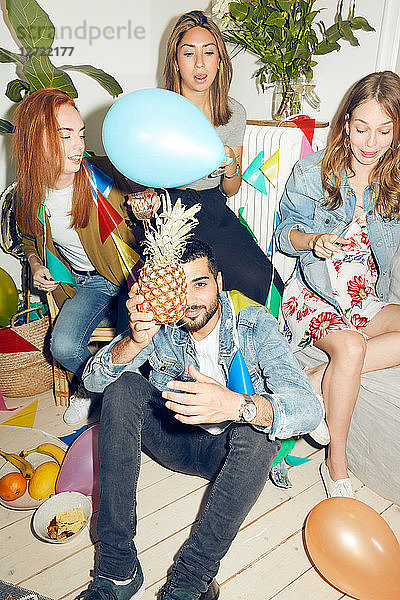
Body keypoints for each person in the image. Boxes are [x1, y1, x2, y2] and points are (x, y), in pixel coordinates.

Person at [78, 239, 323, 600]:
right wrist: (133, 341)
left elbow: (308, 408)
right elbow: (91, 381)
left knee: (259, 436)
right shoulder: (162, 325)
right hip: (173, 436)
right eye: (182, 286)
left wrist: (236, 405)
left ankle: (190, 582)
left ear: (219, 282)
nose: (190, 299)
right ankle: (117, 570)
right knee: (123, 387)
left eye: (201, 283)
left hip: (226, 456)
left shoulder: (253, 324)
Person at [275, 71, 400, 499]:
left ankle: (312, 379)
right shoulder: (312, 171)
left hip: (362, 297)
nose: (371, 143)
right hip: (315, 292)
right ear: (345, 123)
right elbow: (283, 236)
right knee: (350, 347)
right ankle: (337, 465)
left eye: (385, 131)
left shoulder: (394, 180)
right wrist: (313, 241)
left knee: (364, 343)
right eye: (362, 128)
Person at [13, 88, 154, 426]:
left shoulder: (103, 176)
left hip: (130, 279)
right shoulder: (30, 193)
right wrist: (35, 263)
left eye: (81, 134)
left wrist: (146, 206)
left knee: (133, 348)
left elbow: (148, 204)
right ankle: (94, 390)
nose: (79, 146)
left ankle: (112, 400)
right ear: (38, 141)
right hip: (87, 283)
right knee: (61, 346)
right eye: (65, 136)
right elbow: (31, 238)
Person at [162, 10, 274, 305]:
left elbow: (231, 188)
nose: (200, 63)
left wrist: (231, 166)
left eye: (209, 52)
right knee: (182, 286)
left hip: (212, 205)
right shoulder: (161, 110)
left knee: (259, 275)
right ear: (175, 61)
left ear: (219, 60)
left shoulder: (234, 113)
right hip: (169, 208)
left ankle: (240, 346)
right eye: (189, 53)